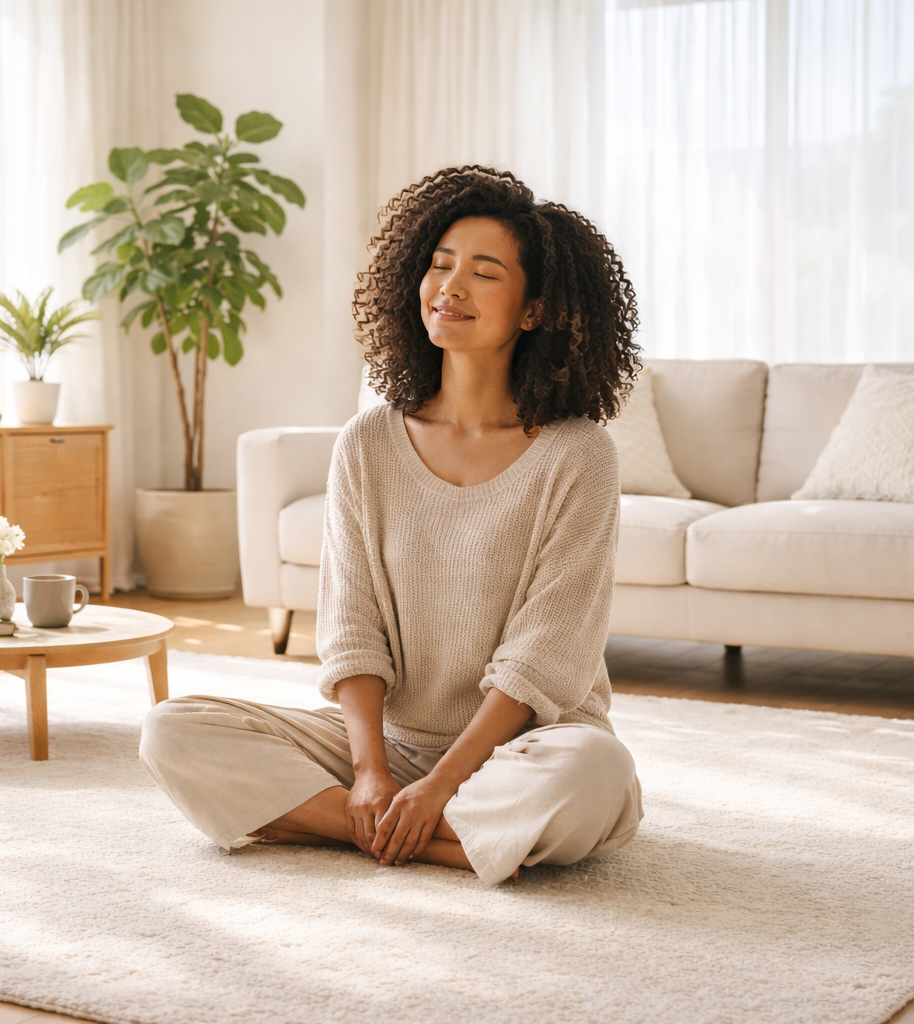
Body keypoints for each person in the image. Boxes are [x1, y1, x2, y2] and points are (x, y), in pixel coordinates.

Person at [140, 165, 645, 884]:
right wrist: (372, 772)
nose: (451, 287)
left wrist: (441, 786)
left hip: (526, 748)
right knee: (172, 730)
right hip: (393, 747)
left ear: (534, 309)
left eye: (484, 272)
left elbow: (548, 654)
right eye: (439, 265)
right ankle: (438, 838)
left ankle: (363, 825)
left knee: (595, 774)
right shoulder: (369, 441)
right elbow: (351, 626)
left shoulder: (578, 455)